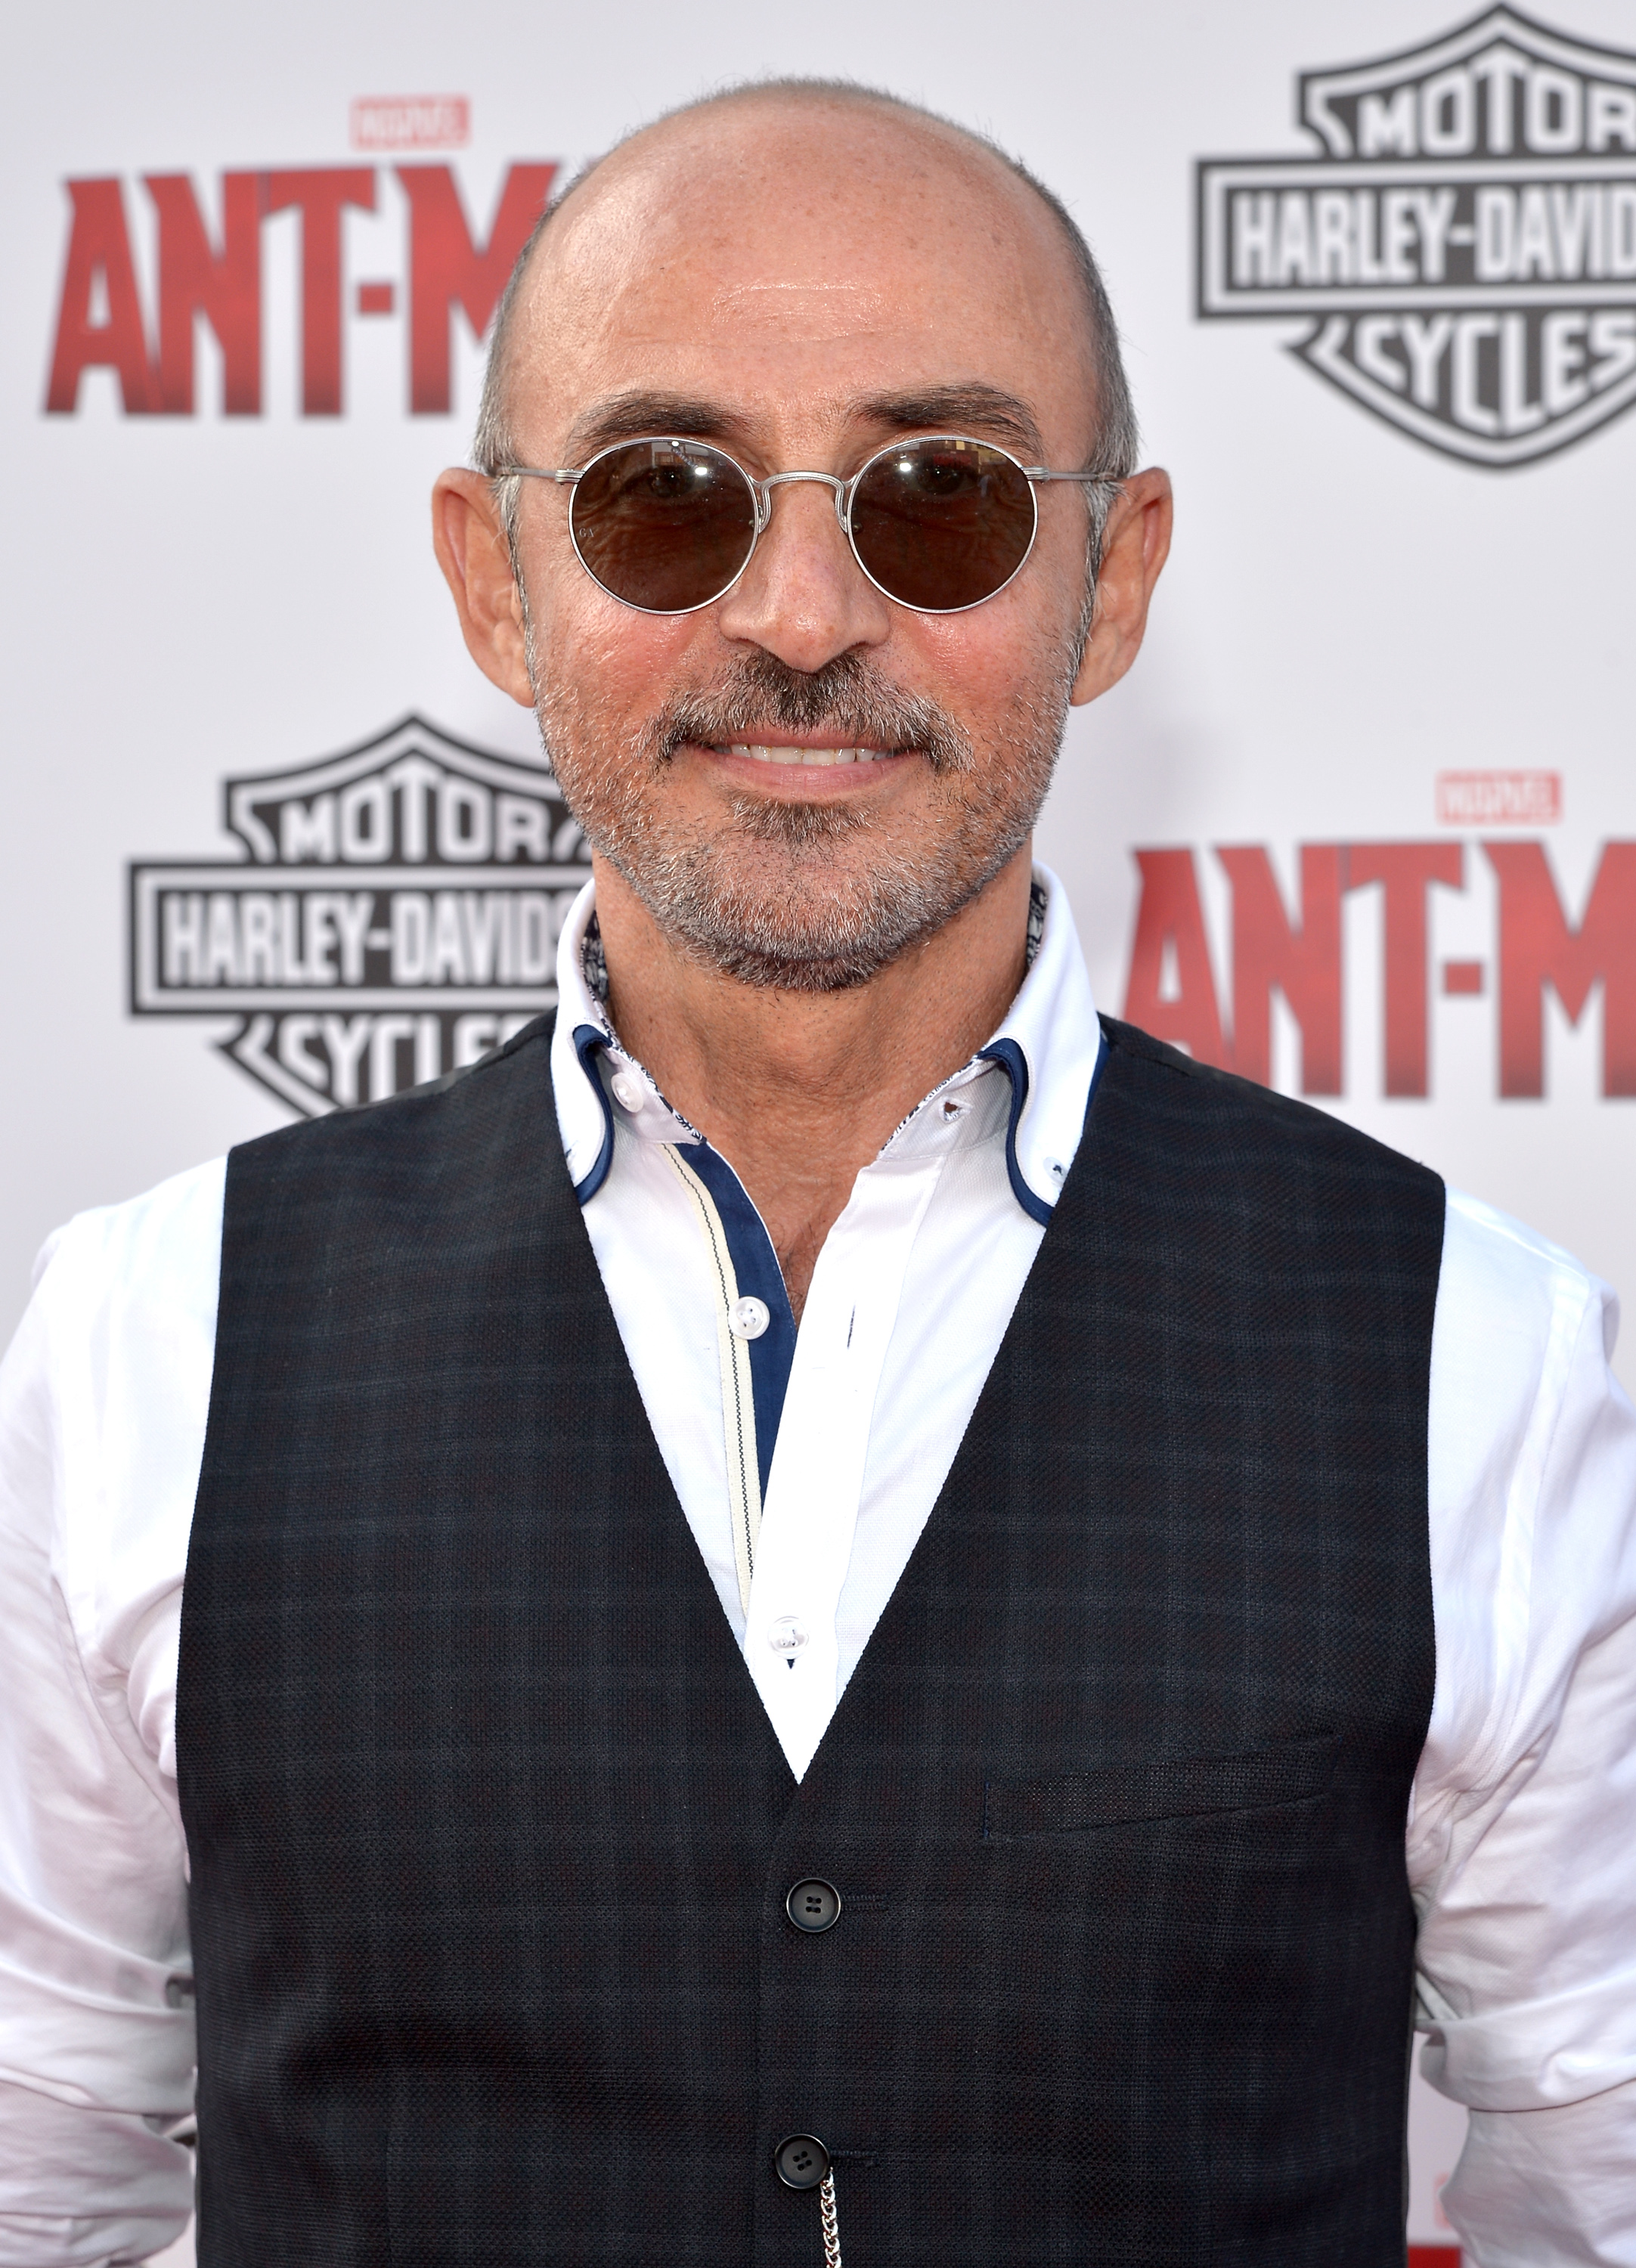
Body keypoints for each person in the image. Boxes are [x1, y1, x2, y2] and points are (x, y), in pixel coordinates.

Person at [2, 79, 1634, 2268]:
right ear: (495, 583)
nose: (793, 615)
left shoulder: (1470, 1358)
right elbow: (37, 2173)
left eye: (937, 497)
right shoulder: (151, 1342)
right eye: (662, 498)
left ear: (1113, 580)